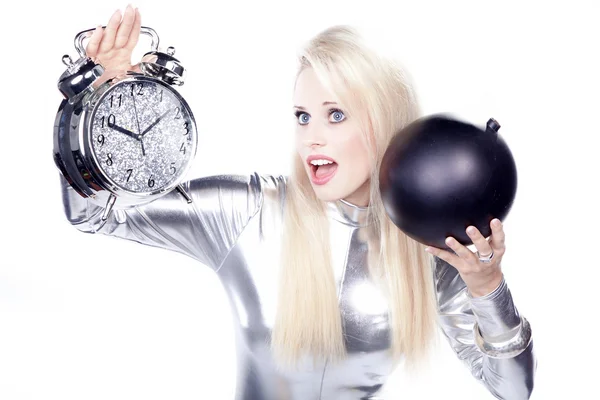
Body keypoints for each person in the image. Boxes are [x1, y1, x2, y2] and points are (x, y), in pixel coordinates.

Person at [58, 5, 536, 399]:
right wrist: (100, 97)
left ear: (386, 121)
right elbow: (94, 214)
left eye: (336, 115)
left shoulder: (428, 250)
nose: (313, 139)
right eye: (303, 116)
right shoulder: (248, 208)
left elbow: (512, 390)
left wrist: (488, 288)